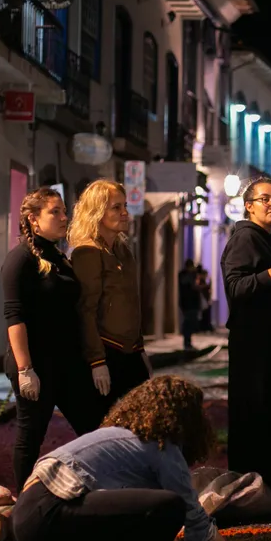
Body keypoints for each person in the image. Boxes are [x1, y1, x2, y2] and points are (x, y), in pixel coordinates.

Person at [12, 376, 263, 541]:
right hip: (49, 515)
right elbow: (191, 517)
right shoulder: (161, 447)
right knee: (171, 505)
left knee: (136, 518)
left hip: (29, 518)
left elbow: (147, 525)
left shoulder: (120, 437)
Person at [3, 188, 100, 493]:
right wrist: (24, 369)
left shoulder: (58, 255)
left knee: (94, 427)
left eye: (63, 211)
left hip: (67, 361)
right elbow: (14, 317)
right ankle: (24, 502)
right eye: (54, 212)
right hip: (37, 362)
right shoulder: (21, 259)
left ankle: (94, 488)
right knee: (31, 434)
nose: (63, 217)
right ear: (33, 219)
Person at [220, 177, 271, 499]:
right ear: (249, 205)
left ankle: (266, 490)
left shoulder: (269, 239)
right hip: (254, 348)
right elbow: (236, 288)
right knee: (254, 418)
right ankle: (249, 492)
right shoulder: (245, 239)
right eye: (265, 199)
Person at [69, 180, 151, 424]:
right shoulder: (88, 251)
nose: (124, 212)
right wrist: (97, 361)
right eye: (116, 208)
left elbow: (131, 304)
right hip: (107, 352)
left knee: (140, 427)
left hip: (131, 352)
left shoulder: (123, 250)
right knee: (107, 427)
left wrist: (141, 349)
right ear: (97, 211)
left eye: (124, 206)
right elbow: (86, 310)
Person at [178, 259, 201, 350]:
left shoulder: (186, 275)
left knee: (190, 323)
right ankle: (187, 342)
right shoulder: (185, 275)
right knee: (188, 323)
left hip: (189, 303)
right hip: (188, 303)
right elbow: (193, 286)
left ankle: (188, 342)